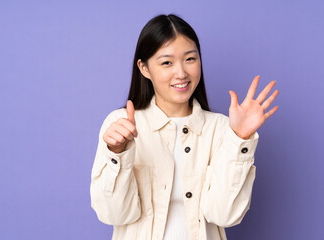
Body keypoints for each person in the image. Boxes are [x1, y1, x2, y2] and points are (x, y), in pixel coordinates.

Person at [90, 13, 279, 240]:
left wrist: (238, 138)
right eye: (167, 62)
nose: (181, 73)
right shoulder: (120, 125)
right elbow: (113, 215)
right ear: (144, 68)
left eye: (190, 59)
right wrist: (118, 154)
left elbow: (225, 216)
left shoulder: (221, 129)